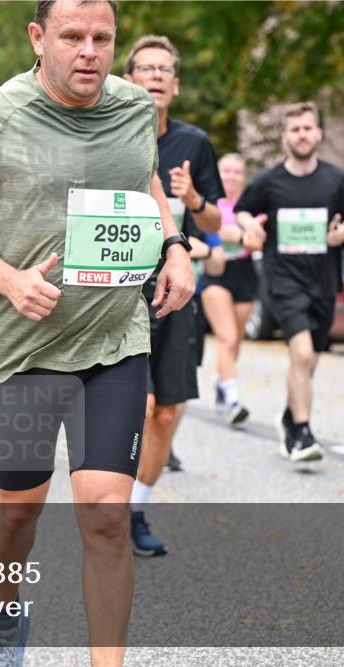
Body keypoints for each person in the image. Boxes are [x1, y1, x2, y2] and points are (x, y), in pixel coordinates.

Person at [0, 2, 194, 664]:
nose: (89, 51)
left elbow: (146, 179)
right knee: (19, 508)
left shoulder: (132, 108)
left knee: (104, 515)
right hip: (24, 348)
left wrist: (177, 243)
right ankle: (8, 611)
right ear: (38, 38)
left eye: (103, 38)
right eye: (72, 36)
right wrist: (9, 280)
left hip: (115, 339)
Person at [122, 34, 223, 557]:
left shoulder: (193, 143)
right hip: (120, 291)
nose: (157, 75)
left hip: (177, 290)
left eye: (165, 69)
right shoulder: (108, 130)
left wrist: (194, 197)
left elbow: (214, 223)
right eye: (147, 68)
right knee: (137, 406)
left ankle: (135, 510)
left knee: (166, 411)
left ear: (176, 85)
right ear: (129, 79)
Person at [235, 101, 344, 462]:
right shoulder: (269, 180)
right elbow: (244, 209)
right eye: (295, 129)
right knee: (301, 353)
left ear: (318, 133)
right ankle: (302, 434)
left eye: (308, 128)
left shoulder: (337, 179)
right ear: (284, 137)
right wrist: (248, 225)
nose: (302, 135)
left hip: (324, 280)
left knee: (310, 360)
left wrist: (343, 233)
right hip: (283, 279)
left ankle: (290, 417)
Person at [201, 153, 258, 425]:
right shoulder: (209, 201)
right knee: (227, 337)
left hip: (244, 273)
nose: (232, 176)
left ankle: (223, 381)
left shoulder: (249, 206)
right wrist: (237, 234)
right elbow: (212, 228)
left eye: (237, 172)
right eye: (226, 171)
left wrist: (252, 235)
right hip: (215, 271)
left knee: (237, 338)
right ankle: (233, 400)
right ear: (217, 173)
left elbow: (259, 240)